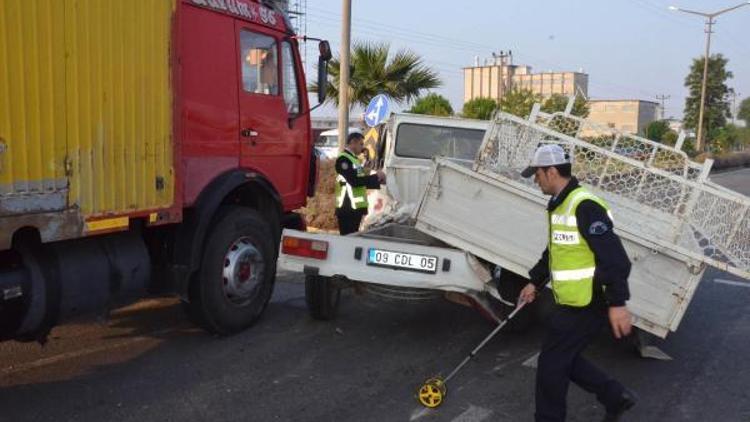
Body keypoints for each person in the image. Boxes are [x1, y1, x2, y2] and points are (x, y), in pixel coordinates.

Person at [517, 144, 637, 422]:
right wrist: (535, 281)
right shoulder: (560, 205)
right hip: (572, 301)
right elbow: (557, 251)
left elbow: (616, 259)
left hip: (589, 302)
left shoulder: (585, 206)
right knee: (563, 360)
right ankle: (615, 396)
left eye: (537, 174)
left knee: (551, 366)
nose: (536, 180)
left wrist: (618, 303)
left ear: (551, 171)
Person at [335, 132, 385, 235]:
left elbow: (360, 177)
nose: (363, 147)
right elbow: (354, 181)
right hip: (347, 208)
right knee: (348, 240)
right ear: (353, 143)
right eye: (361, 144)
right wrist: (376, 177)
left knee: (353, 238)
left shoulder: (354, 160)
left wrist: (375, 177)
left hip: (355, 208)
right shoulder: (343, 160)